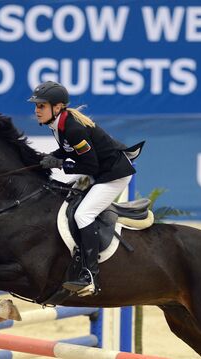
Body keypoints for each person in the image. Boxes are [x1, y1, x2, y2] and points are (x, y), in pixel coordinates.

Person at [28, 81, 143, 296]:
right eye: (36, 106)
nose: (36, 111)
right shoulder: (60, 123)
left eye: (41, 106)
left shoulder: (72, 127)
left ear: (58, 106)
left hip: (113, 176)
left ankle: (90, 275)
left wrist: (61, 164)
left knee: (83, 214)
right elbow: (67, 149)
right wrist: (53, 157)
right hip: (100, 172)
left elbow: (90, 165)